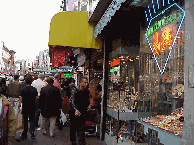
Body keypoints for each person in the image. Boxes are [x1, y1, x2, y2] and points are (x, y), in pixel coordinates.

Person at [69, 76, 91, 145]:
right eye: (84, 82)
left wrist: (89, 105)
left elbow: (87, 100)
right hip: (74, 112)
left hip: (83, 111)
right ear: (80, 82)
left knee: (82, 126)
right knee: (73, 127)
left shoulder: (87, 91)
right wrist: (75, 109)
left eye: (87, 82)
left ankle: (81, 140)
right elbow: (71, 101)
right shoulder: (75, 90)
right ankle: (73, 141)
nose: (86, 84)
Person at [17, 75, 38, 141]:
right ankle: (32, 133)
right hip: (32, 107)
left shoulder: (23, 89)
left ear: (25, 81)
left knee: (25, 121)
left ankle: (24, 134)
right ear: (31, 81)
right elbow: (35, 99)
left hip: (25, 107)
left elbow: (21, 98)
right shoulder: (34, 89)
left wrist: (19, 106)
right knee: (32, 120)